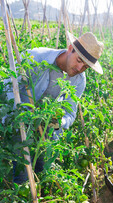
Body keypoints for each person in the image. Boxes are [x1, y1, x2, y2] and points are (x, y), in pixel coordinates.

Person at [4, 31, 104, 183]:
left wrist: (58, 122)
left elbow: (70, 113)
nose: (79, 68)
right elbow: (7, 88)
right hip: (21, 125)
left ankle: (39, 201)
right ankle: (21, 202)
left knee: (42, 171)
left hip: (47, 130)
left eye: (85, 67)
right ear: (70, 48)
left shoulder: (79, 80)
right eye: (78, 60)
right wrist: (21, 114)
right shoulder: (34, 58)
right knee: (22, 175)